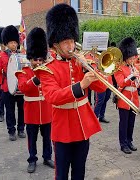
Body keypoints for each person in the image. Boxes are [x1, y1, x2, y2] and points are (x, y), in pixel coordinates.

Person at [34, 4, 106, 179]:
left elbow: (103, 87)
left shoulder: (80, 62)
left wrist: (91, 67)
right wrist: (81, 85)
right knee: (61, 175)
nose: (71, 46)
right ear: (55, 44)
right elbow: (53, 97)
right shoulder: (46, 69)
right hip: (63, 129)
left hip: (83, 126)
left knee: (79, 172)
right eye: (66, 42)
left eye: (72, 41)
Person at [15, 27, 55, 173]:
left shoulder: (48, 72)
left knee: (47, 137)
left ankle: (47, 157)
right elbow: (23, 88)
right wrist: (36, 79)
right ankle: (32, 159)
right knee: (32, 139)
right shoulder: (23, 71)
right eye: (35, 59)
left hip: (46, 110)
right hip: (31, 111)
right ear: (30, 59)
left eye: (40, 59)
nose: (38, 62)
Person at [0, 25, 26, 141]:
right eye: (11, 42)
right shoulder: (1, 56)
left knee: (22, 110)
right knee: (10, 111)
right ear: (7, 44)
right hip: (7, 87)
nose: (14, 44)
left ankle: (21, 129)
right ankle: (11, 131)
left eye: (15, 42)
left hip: (20, 87)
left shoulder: (22, 55)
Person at [114, 37, 140, 154]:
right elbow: (121, 82)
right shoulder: (119, 68)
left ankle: (129, 141)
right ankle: (123, 144)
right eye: (130, 58)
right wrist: (132, 76)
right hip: (124, 99)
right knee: (123, 123)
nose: (132, 60)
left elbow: (137, 85)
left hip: (134, 98)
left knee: (131, 122)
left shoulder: (134, 67)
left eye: (133, 57)